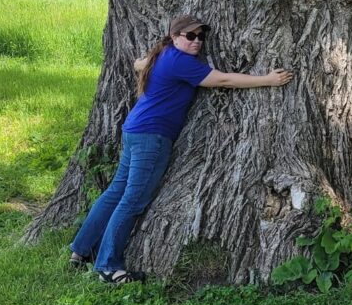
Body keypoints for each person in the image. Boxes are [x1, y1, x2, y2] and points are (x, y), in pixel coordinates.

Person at [69, 14, 293, 283]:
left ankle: (80, 250)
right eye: (190, 36)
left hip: (135, 130)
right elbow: (223, 80)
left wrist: (142, 63)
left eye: (201, 36)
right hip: (152, 136)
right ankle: (107, 266)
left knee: (116, 192)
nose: (197, 41)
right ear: (175, 37)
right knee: (131, 200)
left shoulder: (162, 54)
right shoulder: (181, 62)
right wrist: (267, 79)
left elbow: (139, 63)